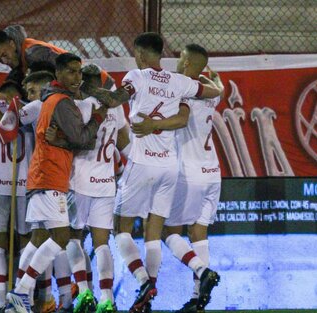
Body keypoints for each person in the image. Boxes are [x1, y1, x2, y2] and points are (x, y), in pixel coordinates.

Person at [82, 32, 222, 312]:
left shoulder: (137, 76)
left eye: (136, 53)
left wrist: (88, 90)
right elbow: (210, 93)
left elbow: (114, 99)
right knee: (155, 232)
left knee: (121, 226)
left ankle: (145, 281)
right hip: (170, 166)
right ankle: (200, 272)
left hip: (144, 161)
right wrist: (214, 80)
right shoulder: (179, 83)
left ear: (142, 55)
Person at [4, 53, 107, 313]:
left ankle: (17, 298)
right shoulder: (62, 102)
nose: (77, 78)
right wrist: (98, 117)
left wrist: (63, 139)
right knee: (61, 237)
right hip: (50, 176)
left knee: (38, 239)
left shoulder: (52, 100)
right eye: (71, 72)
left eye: (79, 72)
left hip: (41, 176)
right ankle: (20, 293)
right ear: (58, 75)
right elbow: (83, 138)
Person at [132, 44, 224, 313]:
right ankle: (197, 300)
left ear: (186, 65)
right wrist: (213, 79)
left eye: (180, 58)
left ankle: (200, 273)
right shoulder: (214, 94)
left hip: (189, 173)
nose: (176, 62)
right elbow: (217, 85)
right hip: (213, 174)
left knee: (167, 232)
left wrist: (153, 125)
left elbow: (180, 120)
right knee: (199, 234)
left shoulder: (183, 89)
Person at [45, 63, 131, 313]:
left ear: (83, 83)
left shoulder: (79, 107)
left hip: (79, 181)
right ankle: (107, 299)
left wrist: (57, 139)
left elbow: (81, 140)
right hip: (106, 184)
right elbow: (124, 144)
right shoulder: (117, 112)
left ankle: (83, 292)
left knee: (73, 237)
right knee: (102, 243)